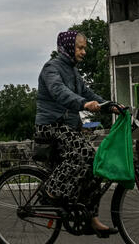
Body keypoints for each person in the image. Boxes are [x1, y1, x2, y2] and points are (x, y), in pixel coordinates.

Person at [35, 30, 118, 238]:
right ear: (68, 47)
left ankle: (90, 218)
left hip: (67, 128)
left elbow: (88, 94)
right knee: (84, 154)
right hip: (51, 126)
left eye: (84, 48)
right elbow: (59, 91)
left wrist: (111, 106)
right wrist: (83, 103)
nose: (84, 52)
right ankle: (51, 191)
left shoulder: (74, 72)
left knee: (95, 166)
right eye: (80, 47)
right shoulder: (51, 68)